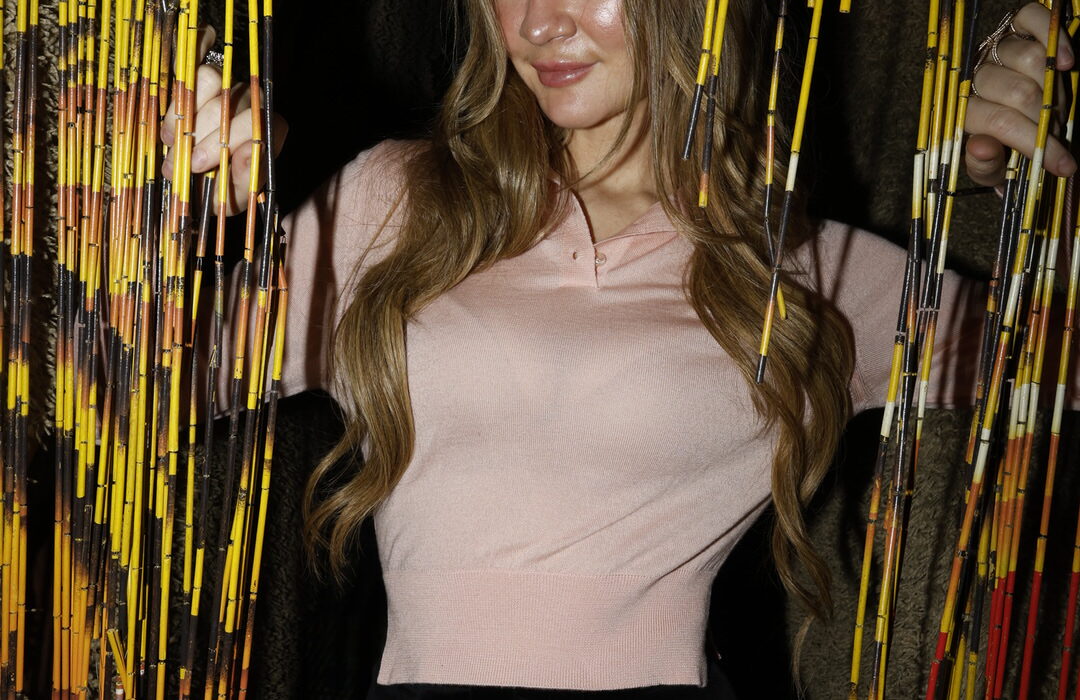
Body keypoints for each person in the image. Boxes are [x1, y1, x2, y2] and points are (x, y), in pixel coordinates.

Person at [164, 1, 1077, 697]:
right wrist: (171, 209)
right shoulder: (397, 202)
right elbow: (145, 388)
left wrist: (1028, 188)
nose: (540, 24)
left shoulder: (805, 271)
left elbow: (1055, 359)